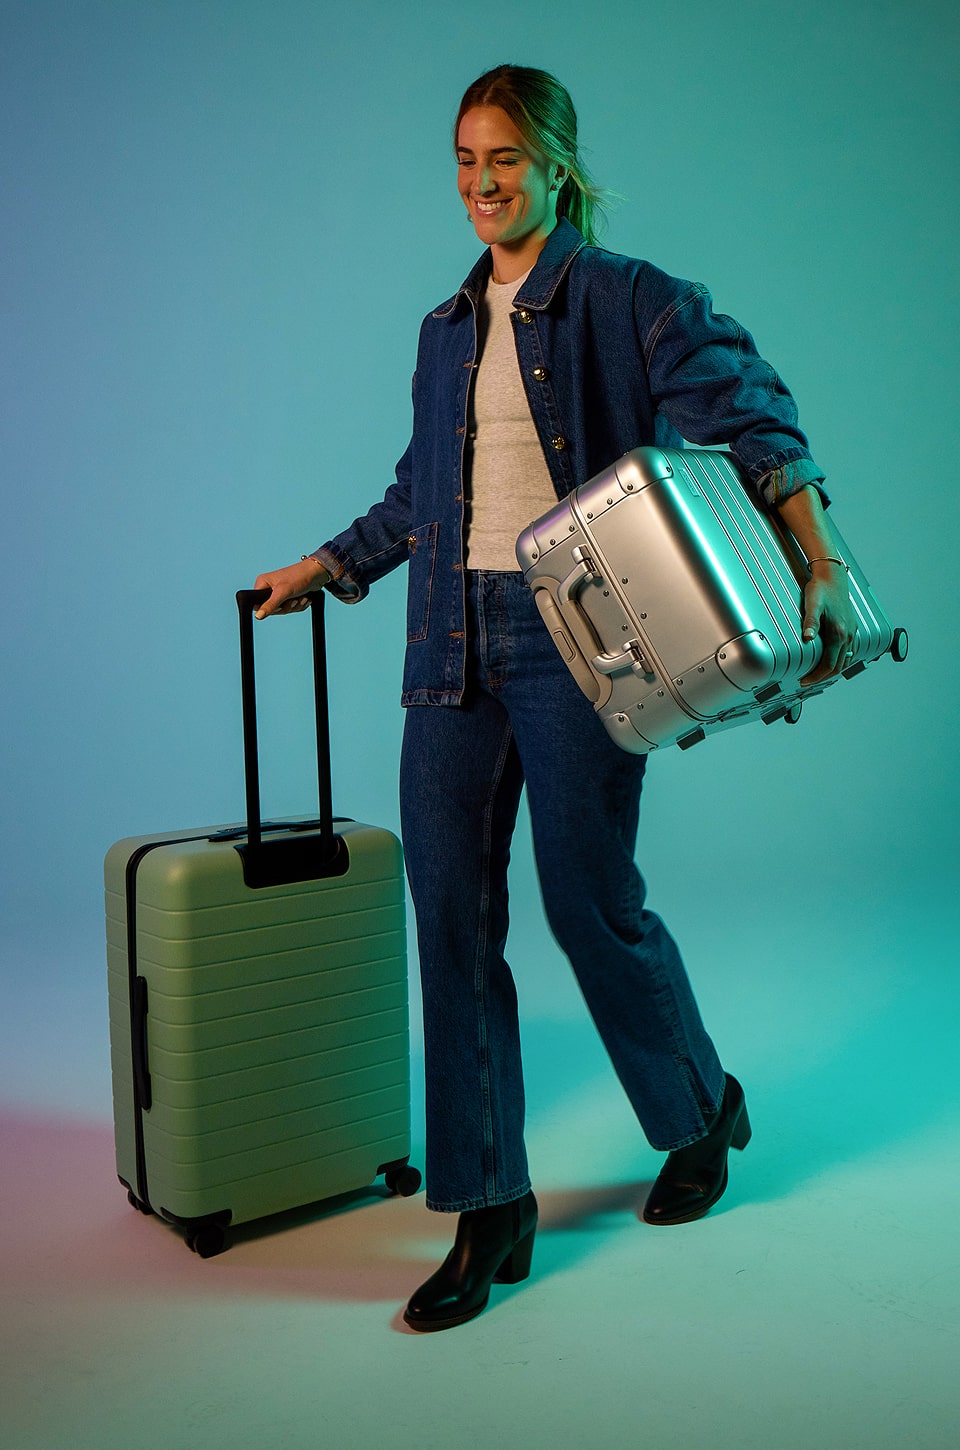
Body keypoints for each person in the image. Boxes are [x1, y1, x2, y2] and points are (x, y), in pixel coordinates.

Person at [254, 64, 856, 1332]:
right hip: (449, 640)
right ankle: (489, 1205)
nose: (481, 186)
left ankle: (699, 1110)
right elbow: (424, 486)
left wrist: (819, 563)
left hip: (583, 639)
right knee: (454, 924)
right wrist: (329, 565)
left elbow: (755, 418)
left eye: (505, 163)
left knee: (590, 902)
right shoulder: (443, 326)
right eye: (465, 163)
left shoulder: (627, 299)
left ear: (558, 166)